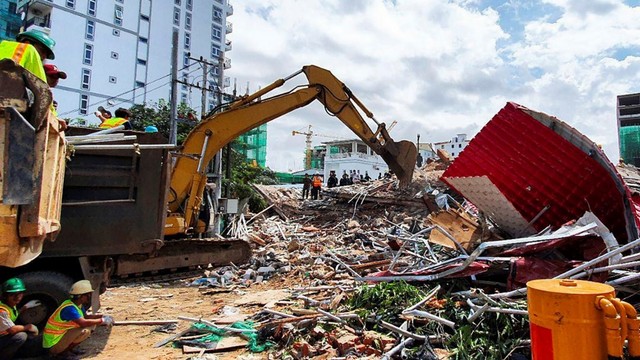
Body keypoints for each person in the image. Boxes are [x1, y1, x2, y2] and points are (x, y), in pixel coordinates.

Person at [43, 280, 113, 357]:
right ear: (81, 296)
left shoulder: (76, 304)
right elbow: (83, 322)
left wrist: (102, 316)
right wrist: (102, 320)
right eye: (88, 295)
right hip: (53, 344)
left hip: (59, 338)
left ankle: (68, 350)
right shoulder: (69, 309)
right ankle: (62, 353)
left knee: (91, 325)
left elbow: (85, 317)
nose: (89, 297)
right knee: (84, 331)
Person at [0, 278, 41, 360]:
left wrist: (24, 308)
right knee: (21, 336)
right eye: (13, 295)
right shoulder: (2, 310)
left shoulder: (9, 304)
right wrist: (28, 327)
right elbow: (12, 330)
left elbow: (11, 315)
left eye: (20, 294)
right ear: (5, 296)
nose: (17, 297)